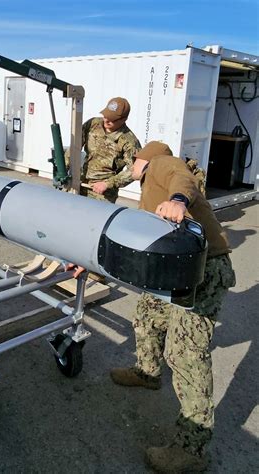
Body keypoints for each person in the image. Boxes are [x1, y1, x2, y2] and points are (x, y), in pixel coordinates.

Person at [108, 141, 236, 472]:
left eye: (133, 161)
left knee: (187, 355)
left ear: (142, 159)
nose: (131, 167)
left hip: (203, 269)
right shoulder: (147, 185)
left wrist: (178, 200)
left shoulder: (162, 164)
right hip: (174, 267)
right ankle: (148, 372)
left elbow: (183, 178)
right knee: (148, 316)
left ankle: (191, 449)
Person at [80, 97, 141, 203]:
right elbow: (76, 145)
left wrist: (108, 183)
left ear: (124, 119)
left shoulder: (129, 141)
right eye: (105, 116)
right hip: (79, 182)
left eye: (112, 119)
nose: (106, 120)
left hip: (102, 194)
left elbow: (135, 170)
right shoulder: (93, 124)